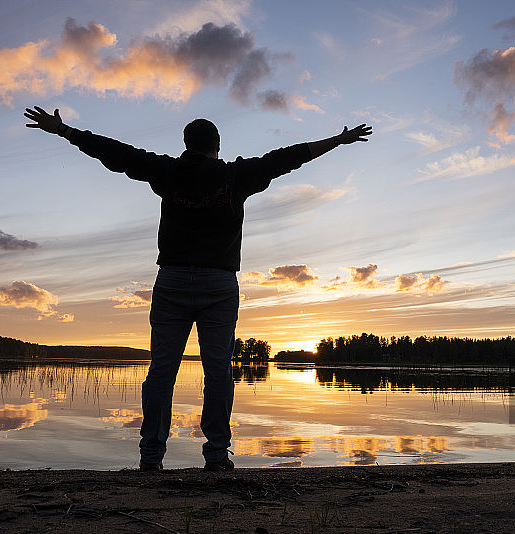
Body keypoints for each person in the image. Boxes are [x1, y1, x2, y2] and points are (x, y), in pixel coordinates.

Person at [23, 106, 372, 471]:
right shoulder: (236, 175)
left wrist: (65, 131)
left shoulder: (168, 171)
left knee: (162, 370)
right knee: (218, 370)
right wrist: (337, 140)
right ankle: (217, 455)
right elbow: (287, 158)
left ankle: (151, 456)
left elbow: (115, 152)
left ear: (186, 144)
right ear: (217, 145)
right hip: (219, 283)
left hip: (172, 280)